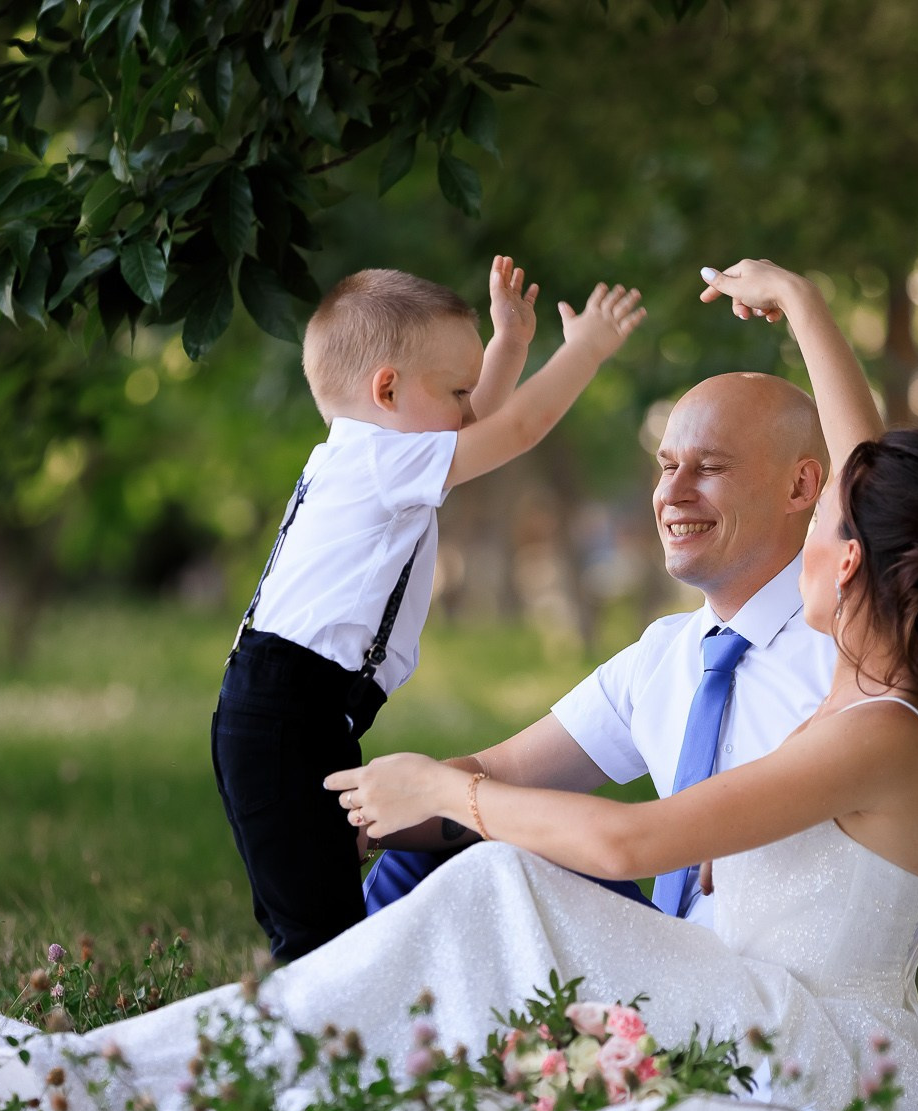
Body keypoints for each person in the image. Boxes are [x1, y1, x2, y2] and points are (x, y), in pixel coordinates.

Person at [0, 259, 918, 1111]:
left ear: (832, 540)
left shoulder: (877, 727)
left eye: (829, 517)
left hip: (791, 1031)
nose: (825, 526)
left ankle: (63, 1087)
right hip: (727, 996)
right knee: (471, 916)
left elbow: (633, 829)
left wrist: (457, 802)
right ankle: (90, 1074)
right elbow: (882, 475)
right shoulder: (861, 687)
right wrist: (811, 304)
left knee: (504, 891)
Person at [360, 370, 918, 920]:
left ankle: (318, 1037)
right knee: (445, 841)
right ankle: (326, 1008)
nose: (672, 493)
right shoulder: (673, 654)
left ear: (846, 551)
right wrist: (354, 810)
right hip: (679, 961)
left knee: (483, 842)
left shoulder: (891, 687)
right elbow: (494, 772)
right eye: (666, 466)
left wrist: (796, 822)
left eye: (707, 466)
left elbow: (630, 842)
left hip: (753, 1005)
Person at [212, 259, 645, 963]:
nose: (466, 410)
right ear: (387, 389)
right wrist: (585, 348)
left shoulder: (367, 452)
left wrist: (507, 342)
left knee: (324, 918)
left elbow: (483, 422)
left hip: (292, 709)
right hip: (286, 711)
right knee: (321, 941)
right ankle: (307, 1051)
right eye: (455, 389)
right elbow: (519, 426)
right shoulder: (384, 459)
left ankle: (326, 1041)